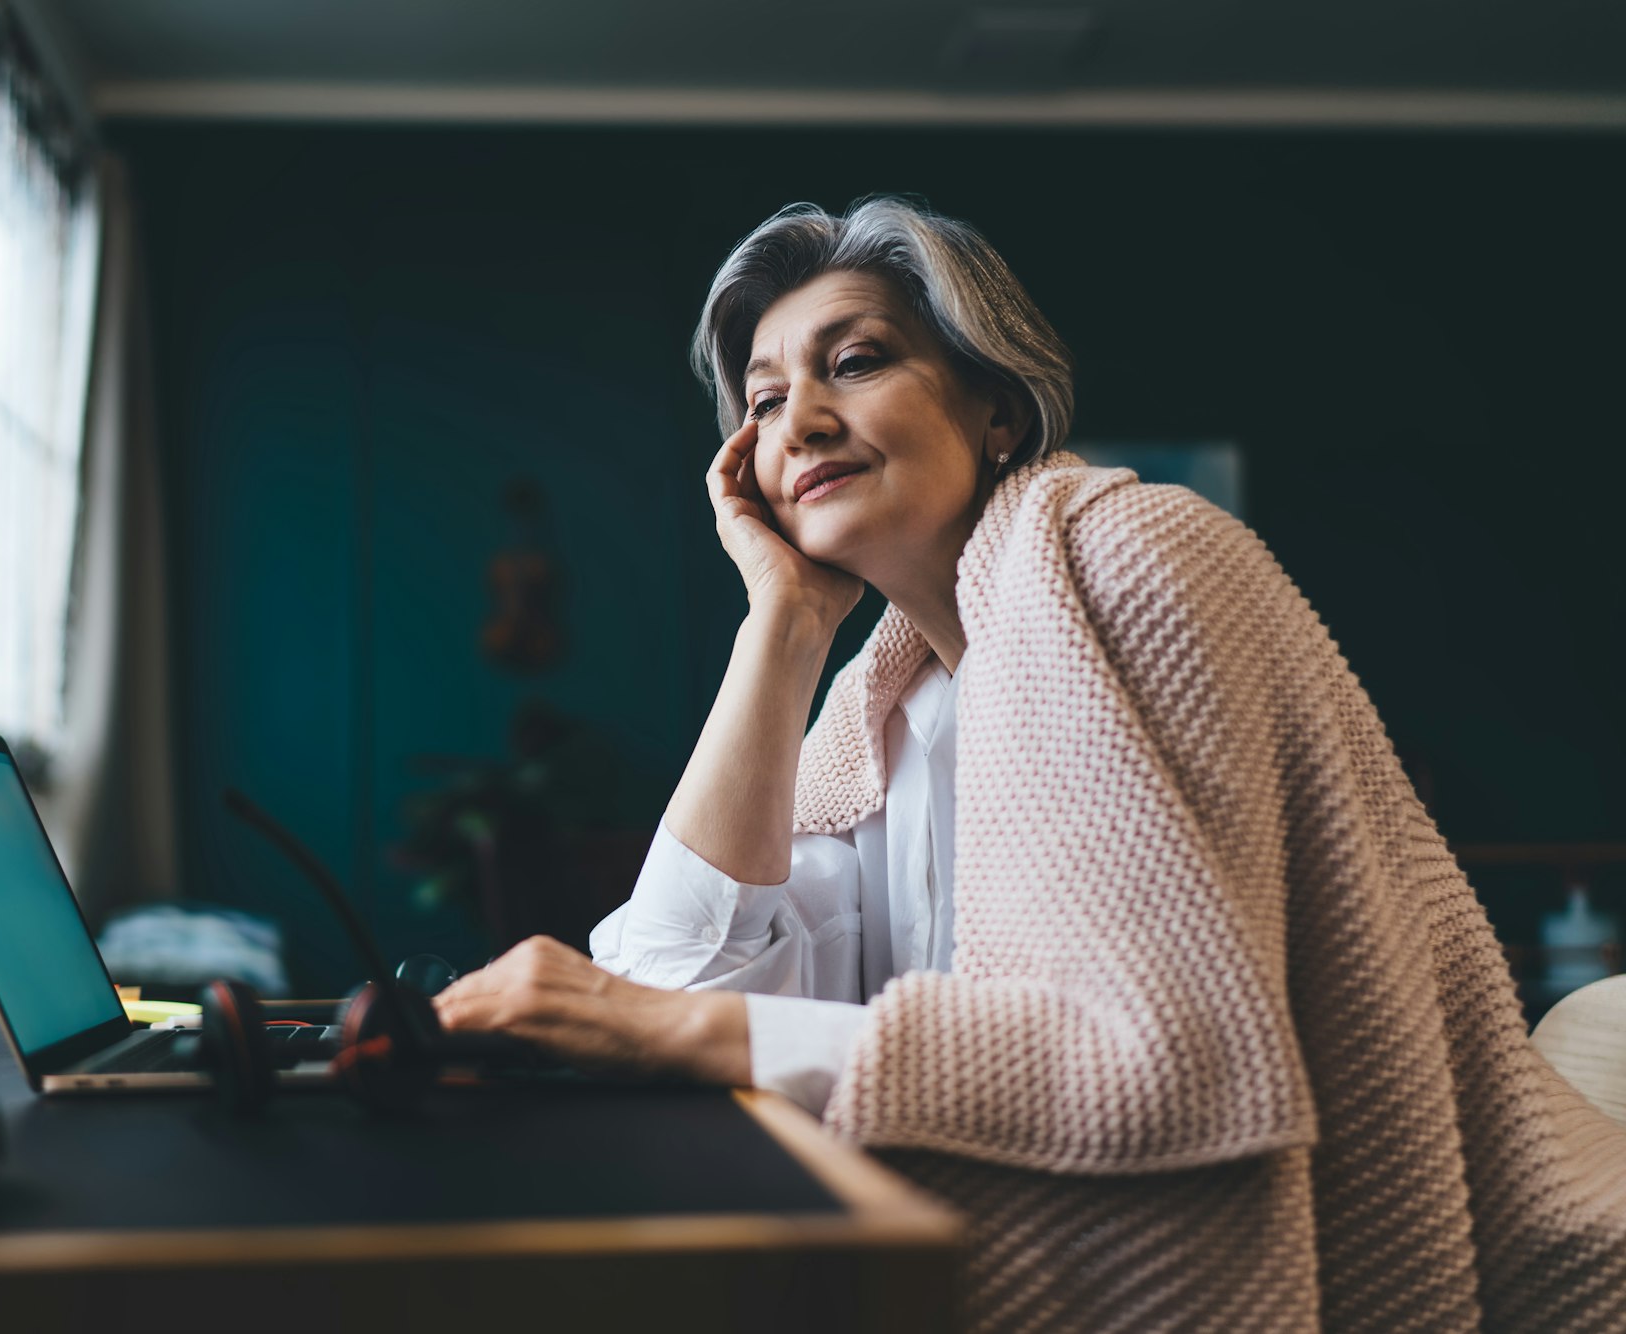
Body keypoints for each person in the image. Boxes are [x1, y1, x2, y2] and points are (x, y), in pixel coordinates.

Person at [433, 197, 1626, 1331]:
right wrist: (785, 621)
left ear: (995, 412)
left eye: (852, 362)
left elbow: (1173, 1064)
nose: (793, 420)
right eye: (762, 395)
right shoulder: (874, 707)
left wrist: (684, 1033)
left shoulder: (1133, 556)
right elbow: (670, 975)